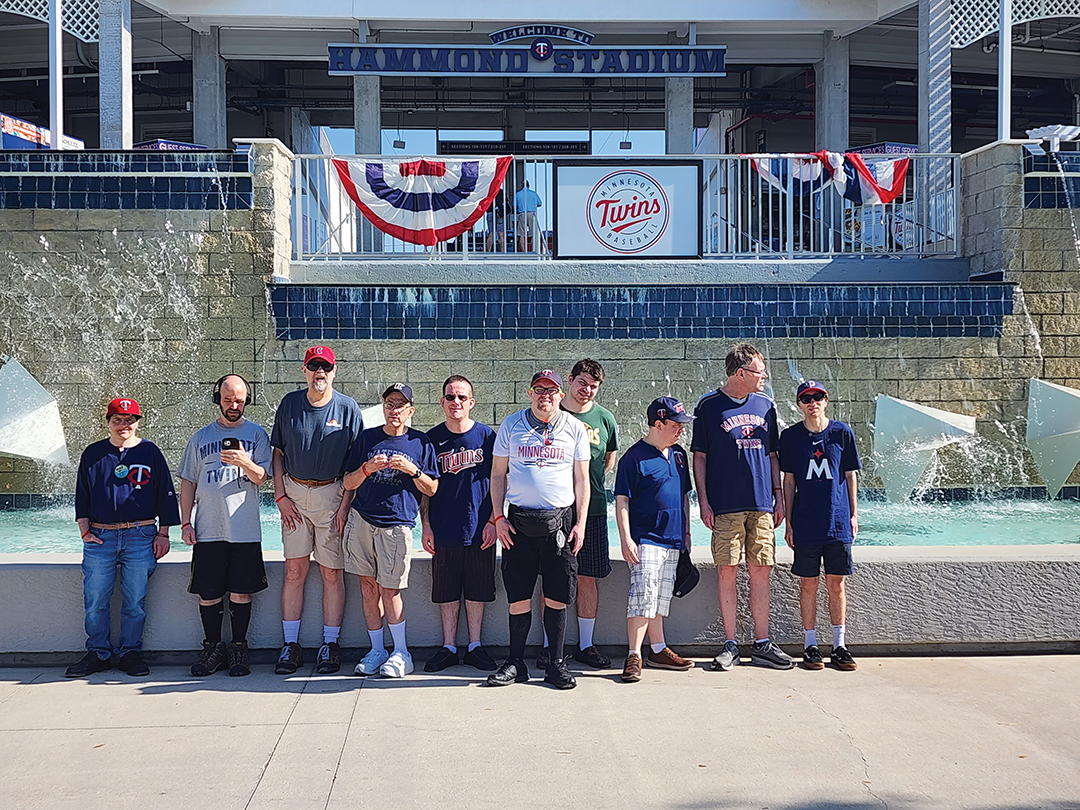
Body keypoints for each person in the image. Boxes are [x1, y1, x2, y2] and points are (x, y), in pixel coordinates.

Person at [691, 343, 794, 672]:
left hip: (762, 504)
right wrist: (704, 501)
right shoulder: (708, 407)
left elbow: (774, 454)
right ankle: (731, 643)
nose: (764, 377)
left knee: (761, 571)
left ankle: (762, 642)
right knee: (727, 572)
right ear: (740, 373)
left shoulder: (766, 405)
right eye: (759, 372)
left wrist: (778, 495)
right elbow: (700, 457)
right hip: (725, 506)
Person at [487, 370, 591, 690]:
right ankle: (515, 663)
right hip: (518, 523)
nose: (544, 395)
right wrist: (497, 518)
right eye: (538, 389)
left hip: (559, 523)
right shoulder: (511, 425)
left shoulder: (574, 428)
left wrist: (581, 523)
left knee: (556, 597)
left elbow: (581, 480)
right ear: (530, 393)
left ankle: (555, 664)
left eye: (551, 390)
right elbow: (497, 476)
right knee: (518, 598)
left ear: (561, 394)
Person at [66, 397, 179, 678]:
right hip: (101, 536)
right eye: (117, 419)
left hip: (140, 535)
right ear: (108, 422)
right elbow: (83, 493)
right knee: (94, 599)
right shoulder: (93, 454)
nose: (123, 425)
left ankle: (130, 652)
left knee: (134, 600)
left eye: (129, 420)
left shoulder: (151, 452)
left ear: (137, 422)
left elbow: (165, 491)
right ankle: (98, 653)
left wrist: (164, 533)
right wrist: (84, 527)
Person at [270, 346, 363, 676]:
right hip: (294, 494)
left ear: (334, 371)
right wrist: (279, 495)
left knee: (331, 573)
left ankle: (329, 644)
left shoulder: (348, 408)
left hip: (332, 495)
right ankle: (291, 644)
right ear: (304, 370)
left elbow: (357, 463)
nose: (319, 372)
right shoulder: (290, 404)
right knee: (294, 571)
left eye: (325, 366)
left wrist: (345, 504)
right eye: (314, 366)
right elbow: (277, 453)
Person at [179, 374, 272, 678]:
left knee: (242, 592)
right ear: (217, 397)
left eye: (240, 399)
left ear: (247, 399)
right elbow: (189, 482)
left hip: (243, 529)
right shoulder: (200, 437)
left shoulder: (257, 434)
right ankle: (212, 648)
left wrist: (244, 461)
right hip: (208, 528)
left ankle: (238, 647)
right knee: (209, 592)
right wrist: (185, 523)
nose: (234, 405)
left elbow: (262, 477)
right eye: (228, 398)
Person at [343, 383, 439, 678]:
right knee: (367, 588)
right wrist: (367, 469)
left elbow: (432, 488)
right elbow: (348, 482)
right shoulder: (366, 438)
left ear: (410, 411)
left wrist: (413, 470)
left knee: (390, 590)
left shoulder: (421, 443)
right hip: (362, 521)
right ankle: (376, 650)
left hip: (396, 524)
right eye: (389, 403)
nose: (393, 409)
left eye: (400, 405)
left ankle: (401, 652)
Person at [780, 381, 861, 672]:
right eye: (806, 398)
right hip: (806, 521)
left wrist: (853, 514)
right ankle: (810, 645)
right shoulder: (790, 437)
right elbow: (788, 481)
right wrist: (789, 521)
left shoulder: (842, 433)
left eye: (817, 397)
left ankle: (839, 645)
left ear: (826, 401)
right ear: (800, 405)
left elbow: (850, 475)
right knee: (808, 583)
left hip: (837, 520)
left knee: (836, 584)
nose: (812, 402)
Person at [420, 376, 499, 673]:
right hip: (443, 527)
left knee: (478, 590)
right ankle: (449, 646)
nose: (456, 402)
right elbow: (425, 489)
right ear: (442, 402)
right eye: (451, 397)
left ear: (471, 402)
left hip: (480, 528)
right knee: (446, 590)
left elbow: (499, 483)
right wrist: (425, 526)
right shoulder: (430, 439)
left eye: (462, 397)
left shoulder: (487, 437)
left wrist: (494, 520)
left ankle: (475, 646)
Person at [615, 397, 696, 682]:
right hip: (646, 538)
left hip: (673, 538)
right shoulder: (633, 457)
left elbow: (684, 495)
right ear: (658, 424)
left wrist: (686, 532)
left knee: (660, 597)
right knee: (642, 596)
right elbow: (621, 499)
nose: (681, 430)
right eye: (675, 425)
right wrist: (625, 538)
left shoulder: (678, 455)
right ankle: (633, 654)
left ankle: (658, 649)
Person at [552, 358, 618, 670]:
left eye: (593, 386)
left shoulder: (605, 418)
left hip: (591, 511)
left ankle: (586, 645)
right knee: (551, 578)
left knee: (588, 577)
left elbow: (608, 460)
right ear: (570, 380)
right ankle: (551, 647)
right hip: (553, 510)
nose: (586, 390)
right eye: (582, 383)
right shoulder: (551, 414)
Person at [514, 180, 542, 252]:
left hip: (522, 214)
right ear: (528, 185)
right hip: (532, 214)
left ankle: (524, 250)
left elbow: (514, 205)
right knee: (533, 233)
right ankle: (533, 249)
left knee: (521, 234)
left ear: (521, 186)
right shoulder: (533, 193)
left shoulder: (517, 194)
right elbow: (539, 203)